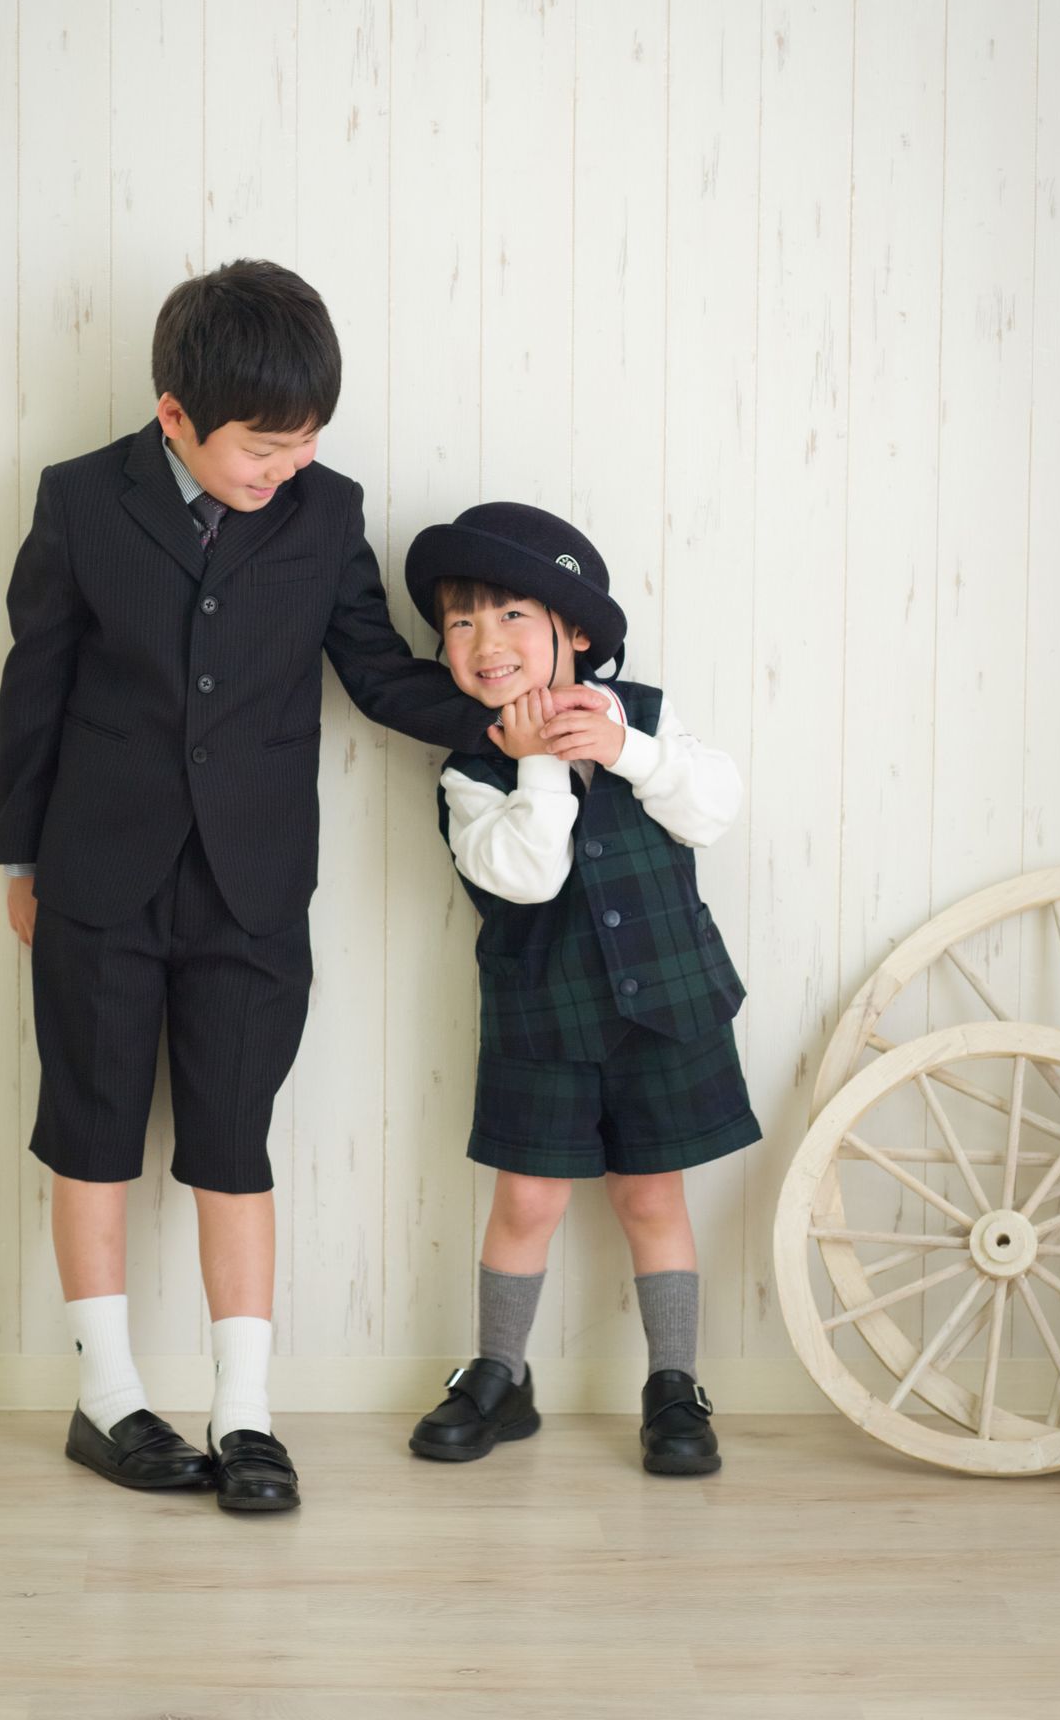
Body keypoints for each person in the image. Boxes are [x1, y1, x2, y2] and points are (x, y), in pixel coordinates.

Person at [0, 262, 606, 1512]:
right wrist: (20, 859)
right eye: (263, 447)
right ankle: (107, 1396)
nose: (288, 466)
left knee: (234, 1140)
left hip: (254, 884)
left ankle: (246, 1414)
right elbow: (33, 685)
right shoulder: (80, 499)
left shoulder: (328, 512)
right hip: (97, 874)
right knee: (92, 1130)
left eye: (308, 440)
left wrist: (511, 719)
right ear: (175, 415)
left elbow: (376, 671)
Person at [401, 503, 760, 1475]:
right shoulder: (471, 770)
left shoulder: (643, 715)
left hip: (666, 1007)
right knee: (527, 1199)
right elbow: (527, 877)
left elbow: (712, 808)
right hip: (542, 1017)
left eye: (512, 615)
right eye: (461, 622)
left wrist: (625, 751)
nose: (485, 642)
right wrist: (539, 768)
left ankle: (674, 1383)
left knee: (651, 1195)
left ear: (579, 634)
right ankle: (501, 1371)